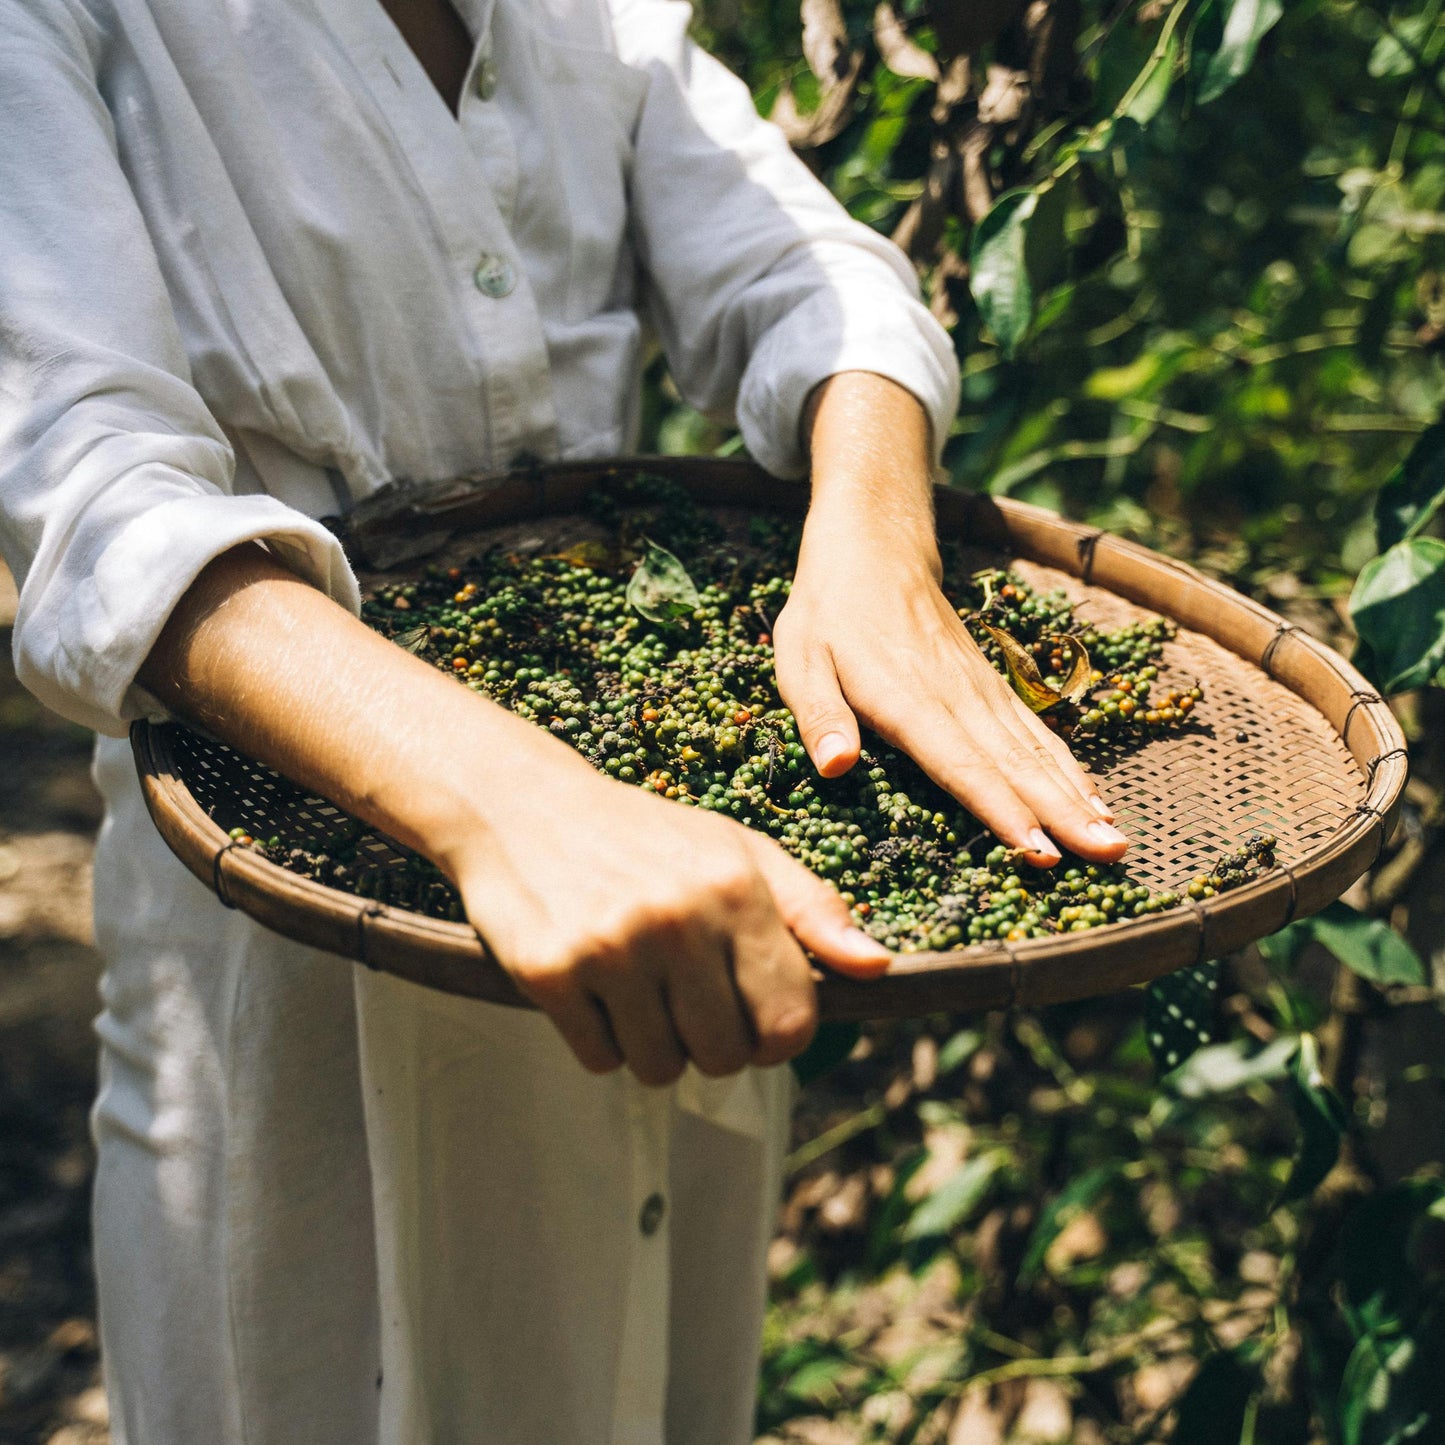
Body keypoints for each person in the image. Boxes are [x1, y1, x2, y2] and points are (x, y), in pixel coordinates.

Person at [0, 0, 1130, 1439]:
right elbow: (100, 501)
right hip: (286, 985)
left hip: (674, 890)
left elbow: (809, 275)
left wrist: (873, 540)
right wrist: (524, 804)